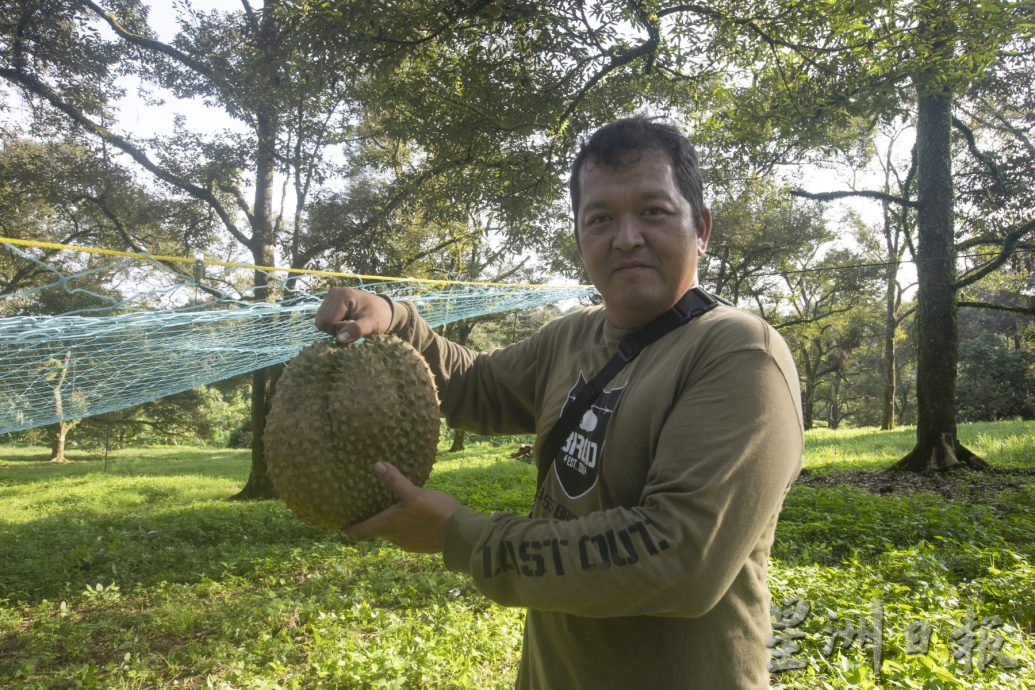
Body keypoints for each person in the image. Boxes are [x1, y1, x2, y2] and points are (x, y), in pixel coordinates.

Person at [315, 116, 803, 689]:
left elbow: (680, 559)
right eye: (600, 218)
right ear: (579, 236)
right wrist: (393, 318)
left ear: (700, 228)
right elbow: (476, 387)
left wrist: (461, 536)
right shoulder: (572, 337)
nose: (626, 237)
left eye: (653, 211)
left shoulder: (739, 353)